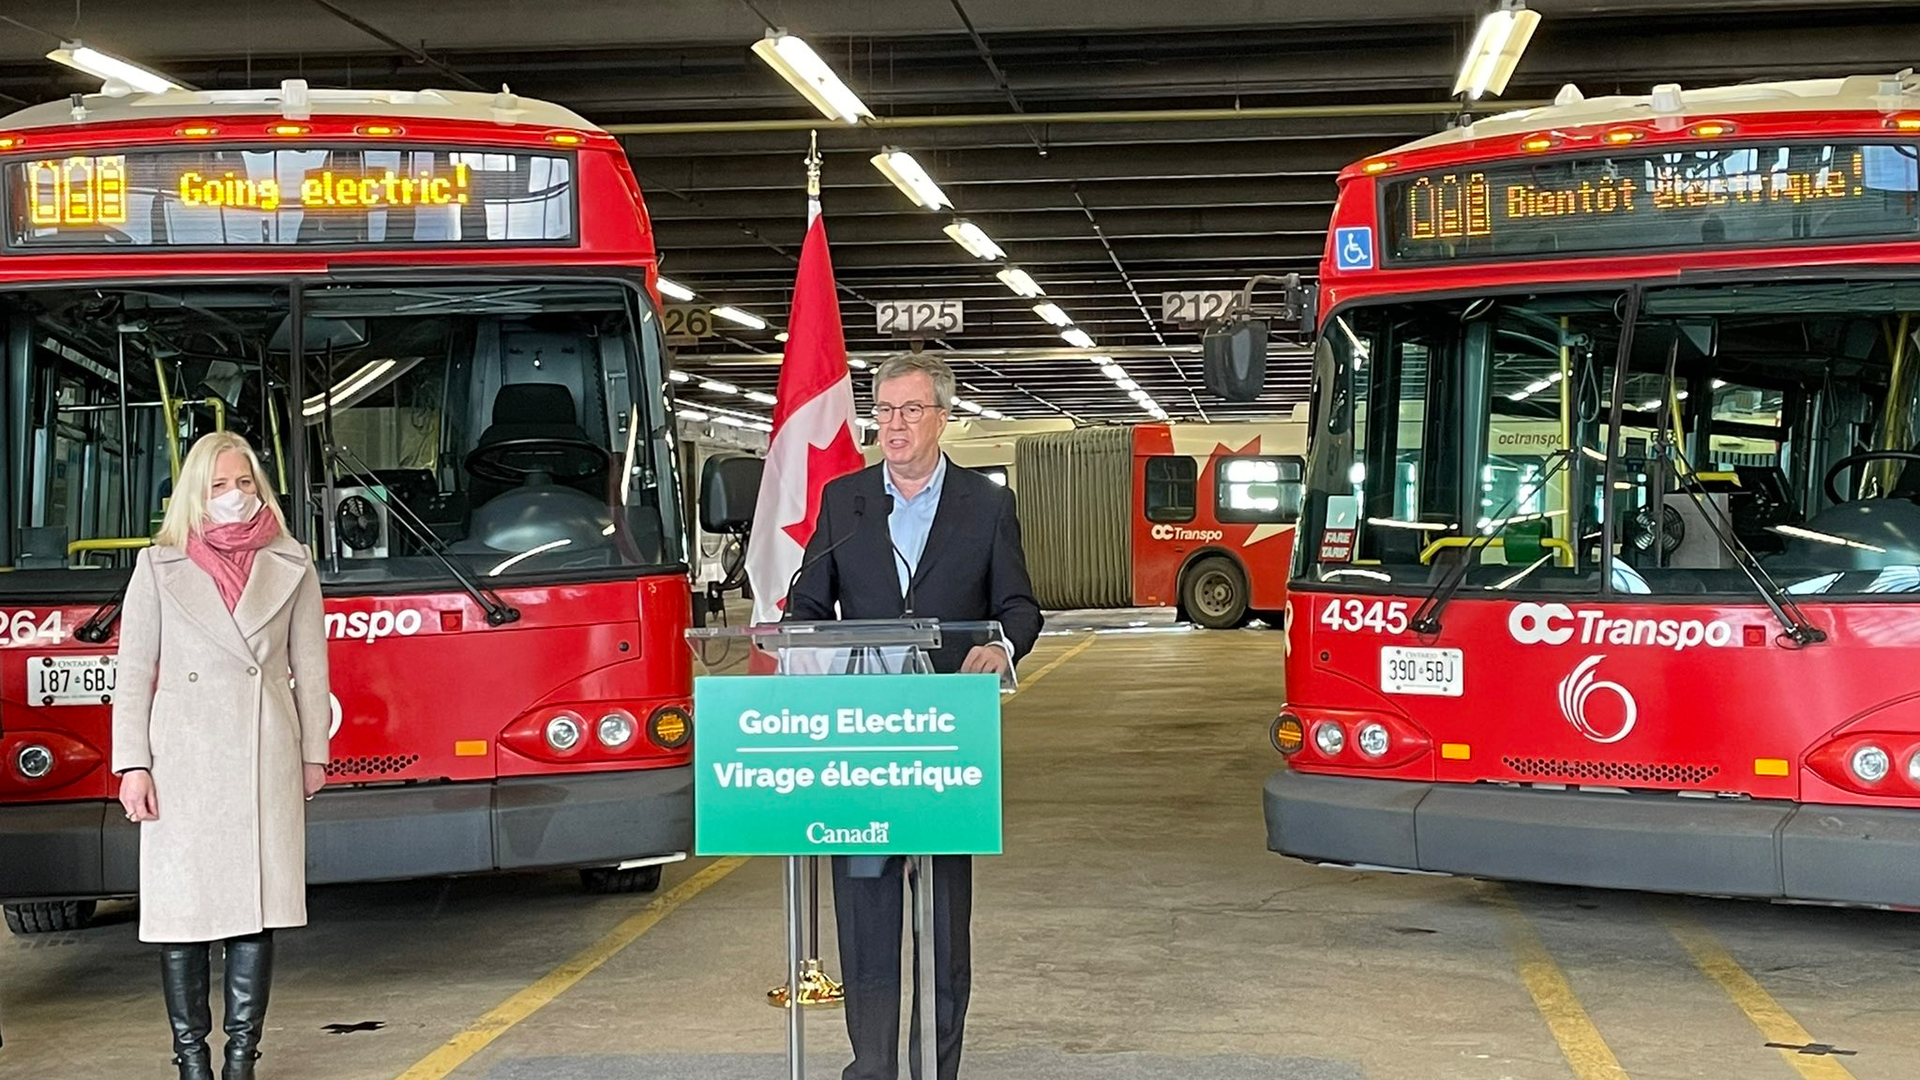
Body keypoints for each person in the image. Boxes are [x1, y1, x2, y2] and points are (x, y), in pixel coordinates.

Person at [789, 353, 1043, 1080]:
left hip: (944, 745)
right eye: (886, 411)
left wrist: (1002, 648)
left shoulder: (986, 504)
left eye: (911, 411)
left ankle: (937, 1068)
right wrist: (804, 647)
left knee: (941, 929)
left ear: (943, 419)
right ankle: (870, 1068)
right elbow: (806, 607)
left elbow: (1019, 606)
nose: (894, 426)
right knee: (866, 919)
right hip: (862, 742)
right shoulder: (845, 502)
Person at [112, 431, 332, 1080]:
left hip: (264, 756)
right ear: (194, 494)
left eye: (244, 483)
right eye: (217, 486)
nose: (234, 497)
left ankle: (241, 1060)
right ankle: (191, 1061)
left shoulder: (292, 561)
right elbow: (134, 671)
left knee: (252, 909)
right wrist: (133, 764)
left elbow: (311, 668)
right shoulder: (159, 566)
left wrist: (314, 753)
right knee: (182, 914)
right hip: (181, 761)